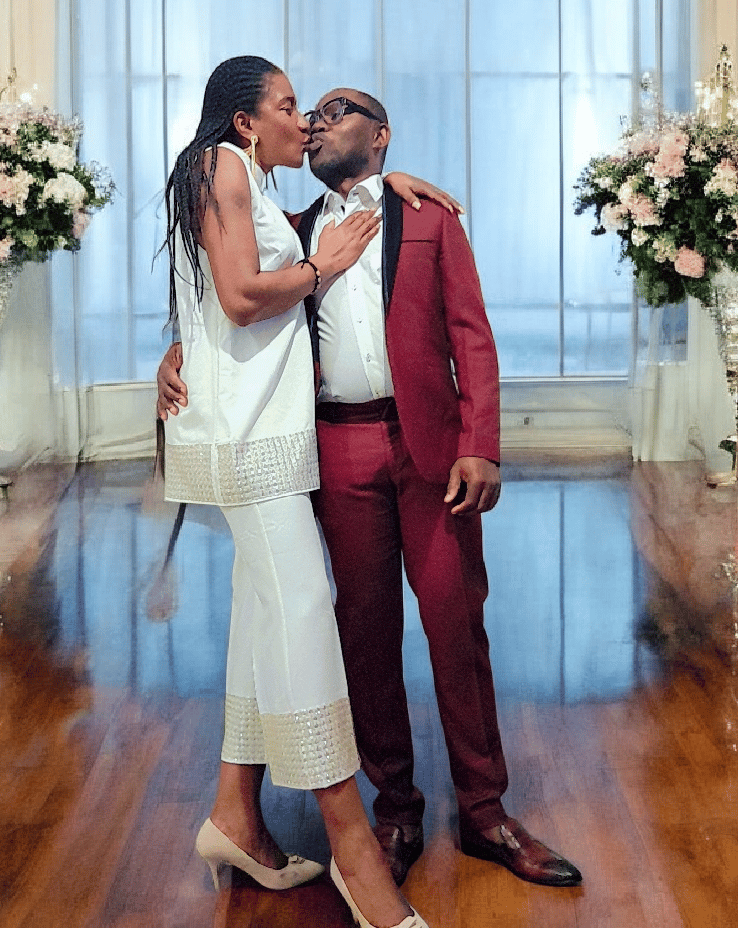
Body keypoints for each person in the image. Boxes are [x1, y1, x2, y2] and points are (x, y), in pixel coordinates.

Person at [159, 84, 582, 891]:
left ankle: (486, 811)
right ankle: (395, 810)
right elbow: (229, 293)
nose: (317, 122)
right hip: (336, 447)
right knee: (364, 635)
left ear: (381, 135)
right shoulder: (291, 229)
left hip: (432, 450)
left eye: (337, 110)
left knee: (456, 624)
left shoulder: (428, 217)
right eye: (307, 112)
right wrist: (175, 352)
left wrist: (480, 444)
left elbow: (473, 335)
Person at [161, 56, 454, 928]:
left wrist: (388, 182)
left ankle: (234, 816)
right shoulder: (220, 162)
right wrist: (322, 267)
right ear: (247, 122)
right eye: (290, 106)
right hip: (247, 440)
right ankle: (352, 846)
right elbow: (241, 297)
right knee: (303, 607)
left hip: (270, 436)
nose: (306, 121)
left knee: (263, 614)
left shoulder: (248, 179)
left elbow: (214, 294)